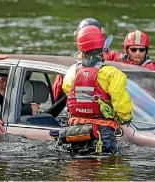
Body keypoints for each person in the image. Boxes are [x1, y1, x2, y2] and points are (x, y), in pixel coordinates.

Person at [58, 25, 133, 154]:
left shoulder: (72, 72)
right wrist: (125, 117)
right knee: (106, 171)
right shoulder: (112, 74)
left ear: (79, 47)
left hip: (76, 132)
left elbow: (68, 91)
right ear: (102, 47)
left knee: (78, 171)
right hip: (103, 134)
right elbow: (122, 106)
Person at [52, 18, 120, 101]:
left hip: (77, 110)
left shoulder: (69, 66)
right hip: (104, 110)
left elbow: (55, 96)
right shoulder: (113, 58)